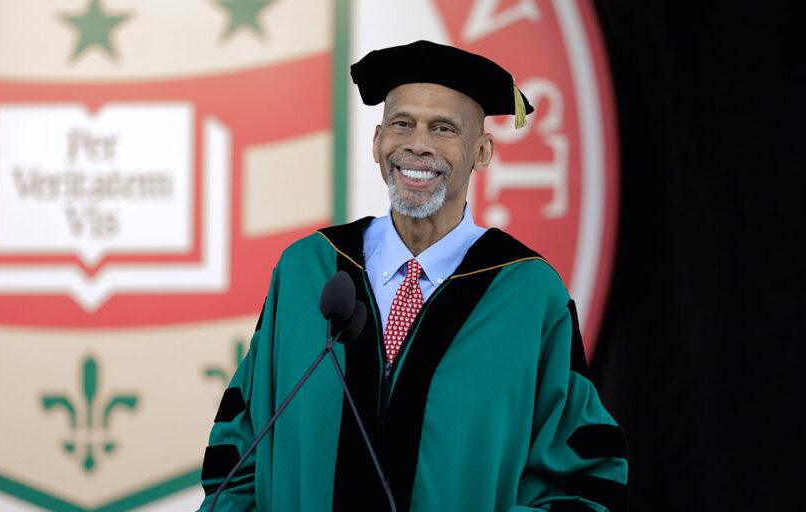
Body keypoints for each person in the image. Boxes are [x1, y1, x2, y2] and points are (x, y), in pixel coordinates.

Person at [198, 40, 628, 512]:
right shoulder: (308, 271)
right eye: (402, 124)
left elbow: (582, 476)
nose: (417, 144)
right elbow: (241, 456)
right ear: (378, 141)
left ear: (481, 152)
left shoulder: (528, 295)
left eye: (443, 129)